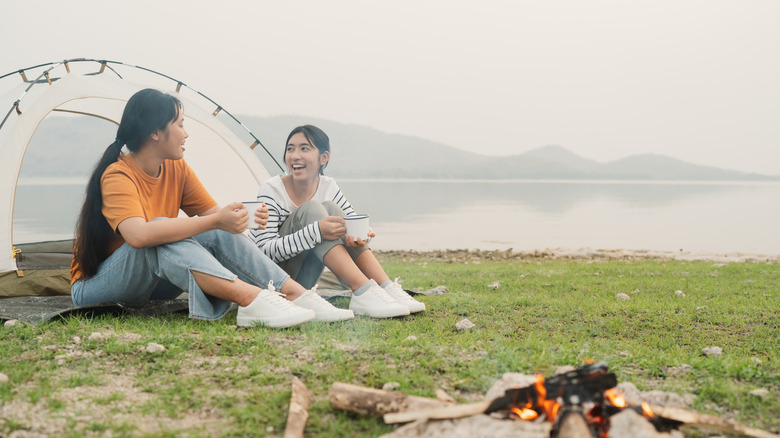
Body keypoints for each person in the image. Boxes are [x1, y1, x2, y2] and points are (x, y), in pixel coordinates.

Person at [70, 89, 354, 328]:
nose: (186, 133)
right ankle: (253, 299)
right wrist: (215, 221)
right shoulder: (117, 176)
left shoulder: (176, 168)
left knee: (210, 233)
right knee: (157, 238)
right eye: (180, 125)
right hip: (96, 287)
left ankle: (296, 294)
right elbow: (139, 237)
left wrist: (238, 219)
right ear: (156, 132)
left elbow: (213, 224)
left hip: (154, 281)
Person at [249, 125, 425, 318]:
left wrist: (362, 235)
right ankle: (363, 290)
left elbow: (352, 222)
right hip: (275, 283)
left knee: (333, 210)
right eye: (290, 149)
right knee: (313, 209)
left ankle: (387, 287)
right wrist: (316, 231)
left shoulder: (328, 186)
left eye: (304, 148)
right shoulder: (272, 189)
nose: (294, 156)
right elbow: (264, 251)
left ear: (323, 158)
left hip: (306, 280)